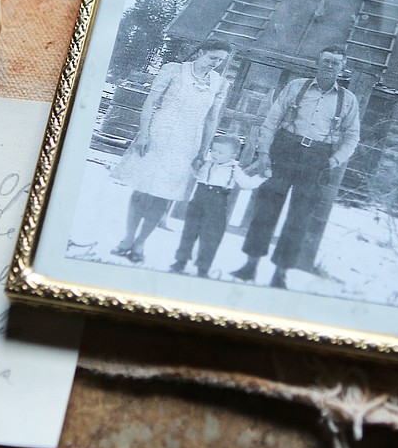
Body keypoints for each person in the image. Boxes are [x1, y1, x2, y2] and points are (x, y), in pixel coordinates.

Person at [231, 46, 361, 288]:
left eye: (335, 63)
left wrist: (333, 161)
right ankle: (250, 265)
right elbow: (271, 121)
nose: (329, 66)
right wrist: (264, 153)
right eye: (326, 61)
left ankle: (281, 273)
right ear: (317, 62)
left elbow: (352, 137)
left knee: (299, 217)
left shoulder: (348, 100)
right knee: (266, 209)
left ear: (342, 68)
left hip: (318, 158)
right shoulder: (296, 87)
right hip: (285, 150)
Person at [110, 38, 233, 264]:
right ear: (201, 52)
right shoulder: (173, 71)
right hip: (159, 134)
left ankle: (140, 243)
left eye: (221, 61)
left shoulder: (219, 84)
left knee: (164, 195)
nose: (215, 64)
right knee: (142, 190)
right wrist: (144, 133)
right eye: (212, 58)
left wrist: (202, 152)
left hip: (188, 143)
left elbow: (211, 120)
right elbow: (150, 103)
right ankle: (127, 239)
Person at [170, 135, 264, 278]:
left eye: (220, 152)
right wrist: (195, 166)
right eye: (213, 150)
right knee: (189, 232)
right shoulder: (207, 163)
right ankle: (180, 261)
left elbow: (247, 184)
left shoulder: (234, 169)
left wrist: (262, 177)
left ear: (233, 155)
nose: (215, 154)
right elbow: (195, 174)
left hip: (217, 204)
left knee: (211, 237)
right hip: (198, 201)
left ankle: (203, 267)